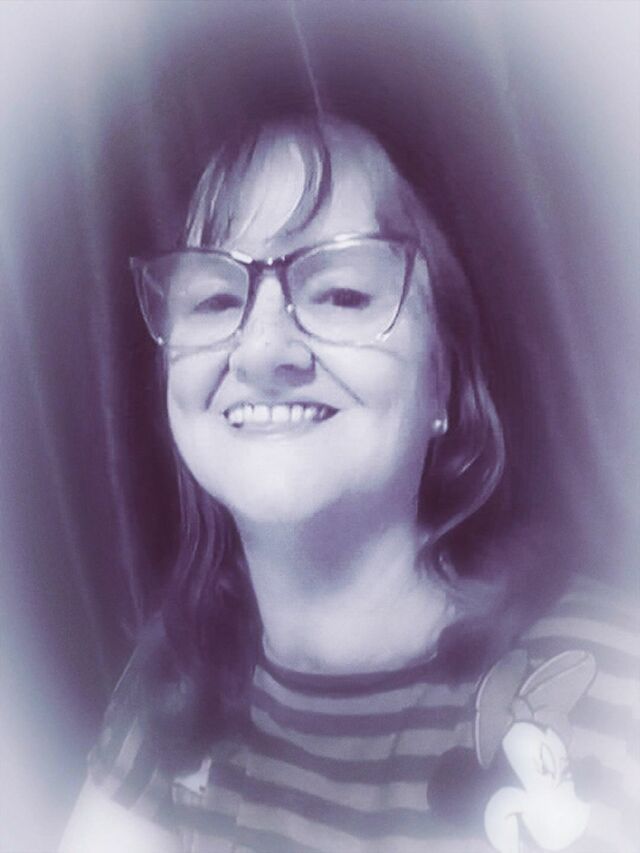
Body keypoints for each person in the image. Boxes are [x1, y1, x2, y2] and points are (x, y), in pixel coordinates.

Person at [60, 114, 637, 853]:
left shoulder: (609, 686)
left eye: (340, 294)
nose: (262, 349)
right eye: (214, 301)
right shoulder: (171, 684)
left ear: (443, 383)